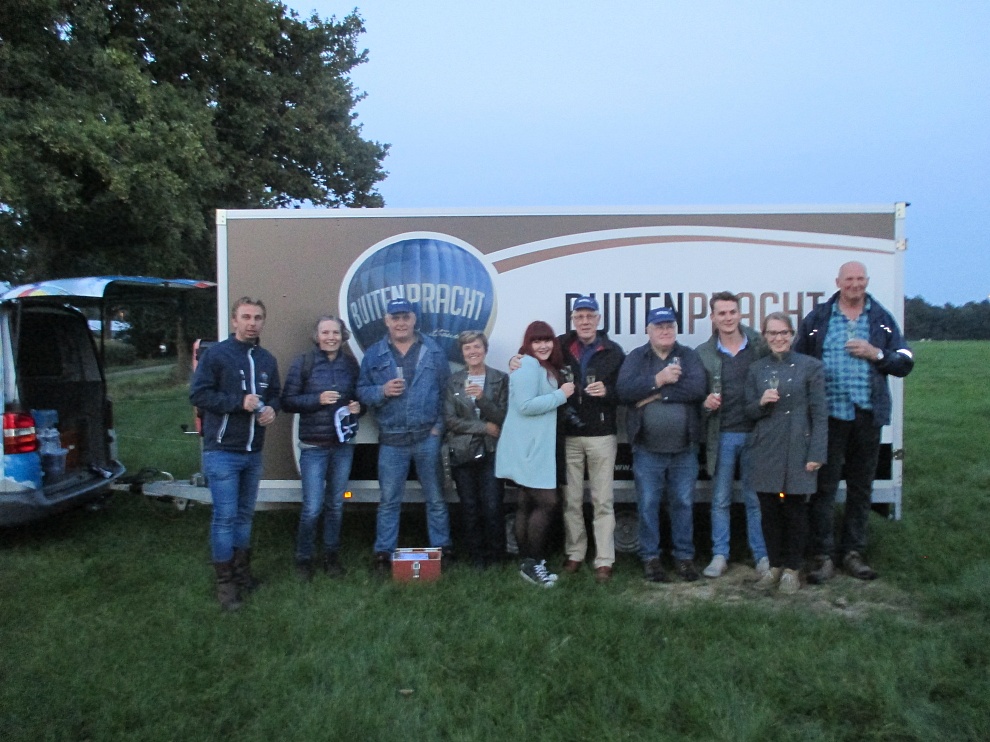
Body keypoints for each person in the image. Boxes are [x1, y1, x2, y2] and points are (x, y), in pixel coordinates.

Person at [794, 261, 914, 582]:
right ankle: (823, 556)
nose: (855, 284)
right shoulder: (819, 318)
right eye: (849, 279)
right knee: (824, 488)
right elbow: (798, 360)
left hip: (867, 416)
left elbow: (905, 362)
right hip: (829, 417)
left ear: (867, 281)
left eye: (860, 279)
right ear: (838, 282)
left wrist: (877, 354)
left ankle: (853, 553)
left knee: (861, 488)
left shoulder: (881, 320)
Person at [190, 297, 280, 611]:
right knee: (225, 518)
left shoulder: (267, 359)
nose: (252, 323)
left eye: (257, 317)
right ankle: (225, 585)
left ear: (263, 322)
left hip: (253, 451)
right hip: (222, 451)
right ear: (234, 321)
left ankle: (242, 574)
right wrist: (238, 403)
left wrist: (272, 410)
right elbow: (198, 394)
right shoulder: (217, 354)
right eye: (246, 317)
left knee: (244, 516)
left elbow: (275, 395)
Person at [357, 298, 452, 575]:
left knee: (436, 499)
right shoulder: (374, 354)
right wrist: (382, 391)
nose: (400, 323)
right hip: (392, 439)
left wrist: (438, 428)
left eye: (405, 317)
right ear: (386, 320)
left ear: (414, 319)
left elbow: (447, 392)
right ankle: (383, 553)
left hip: (427, 437)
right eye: (395, 317)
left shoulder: (433, 350)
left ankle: (443, 549)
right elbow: (361, 390)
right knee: (389, 500)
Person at [617, 306, 706, 583]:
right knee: (648, 505)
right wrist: (659, 379)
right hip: (647, 449)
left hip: (684, 449)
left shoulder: (688, 355)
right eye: (659, 326)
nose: (665, 330)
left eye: (669, 326)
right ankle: (651, 558)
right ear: (648, 330)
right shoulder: (637, 357)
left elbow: (697, 388)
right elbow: (624, 391)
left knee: (683, 504)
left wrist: (656, 394)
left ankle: (684, 557)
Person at [745, 312, 827, 594]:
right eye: (772, 333)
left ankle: (792, 569)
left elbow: (820, 413)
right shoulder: (757, 369)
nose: (778, 338)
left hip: (798, 447)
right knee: (768, 511)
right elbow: (748, 411)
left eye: (783, 333)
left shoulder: (811, 367)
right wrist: (761, 403)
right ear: (765, 337)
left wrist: (816, 453)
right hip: (766, 447)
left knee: (795, 511)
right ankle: (774, 566)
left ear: (792, 335)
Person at [281, 315, 364, 581]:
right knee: (312, 507)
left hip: (342, 445)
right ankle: (303, 559)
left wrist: (358, 407)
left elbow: (360, 398)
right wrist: (317, 399)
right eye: (326, 333)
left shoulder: (350, 364)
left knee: (335, 506)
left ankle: (331, 557)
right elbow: (287, 401)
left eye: (336, 333)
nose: (331, 337)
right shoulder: (303, 362)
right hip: (313, 446)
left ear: (343, 336)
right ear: (317, 336)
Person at [695, 292, 770, 579]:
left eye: (732, 312)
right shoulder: (703, 353)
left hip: (756, 433)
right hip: (722, 435)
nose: (728, 318)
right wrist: (705, 403)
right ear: (713, 318)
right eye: (721, 313)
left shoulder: (759, 345)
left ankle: (761, 555)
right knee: (720, 500)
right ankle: (720, 555)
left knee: (755, 500)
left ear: (740, 314)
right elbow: (695, 397)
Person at [496, 321, 575, 587]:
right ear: (528, 344)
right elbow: (525, 405)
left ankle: (529, 563)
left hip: (533, 447)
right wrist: (561, 395)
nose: (543, 345)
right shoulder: (528, 365)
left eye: (547, 340)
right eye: (536, 341)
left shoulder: (541, 365)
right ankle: (533, 563)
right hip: (528, 449)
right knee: (548, 502)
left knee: (526, 503)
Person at [556, 296, 625, 584]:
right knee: (571, 500)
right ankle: (575, 553)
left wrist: (608, 392)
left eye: (590, 316)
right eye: (579, 316)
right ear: (573, 319)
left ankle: (604, 560)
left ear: (598, 319)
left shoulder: (613, 350)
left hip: (601, 434)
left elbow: (626, 391)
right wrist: (517, 359)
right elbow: (534, 357)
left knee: (602, 500)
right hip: (569, 434)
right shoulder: (560, 346)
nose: (585, 321)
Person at [443, 331, 508, 569]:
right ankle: (476, 557)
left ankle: (496, 557)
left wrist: (482, 399)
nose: (473, 352)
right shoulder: (454, 381)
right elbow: (450, 420)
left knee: (492, 506)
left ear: (485, 349)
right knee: (469, 506)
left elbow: (502, 417)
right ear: (462, 353)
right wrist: (483, 427)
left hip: (491, 452)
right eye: (467, 348)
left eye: (477, 347)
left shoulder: (500, 379)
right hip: (463, 452)